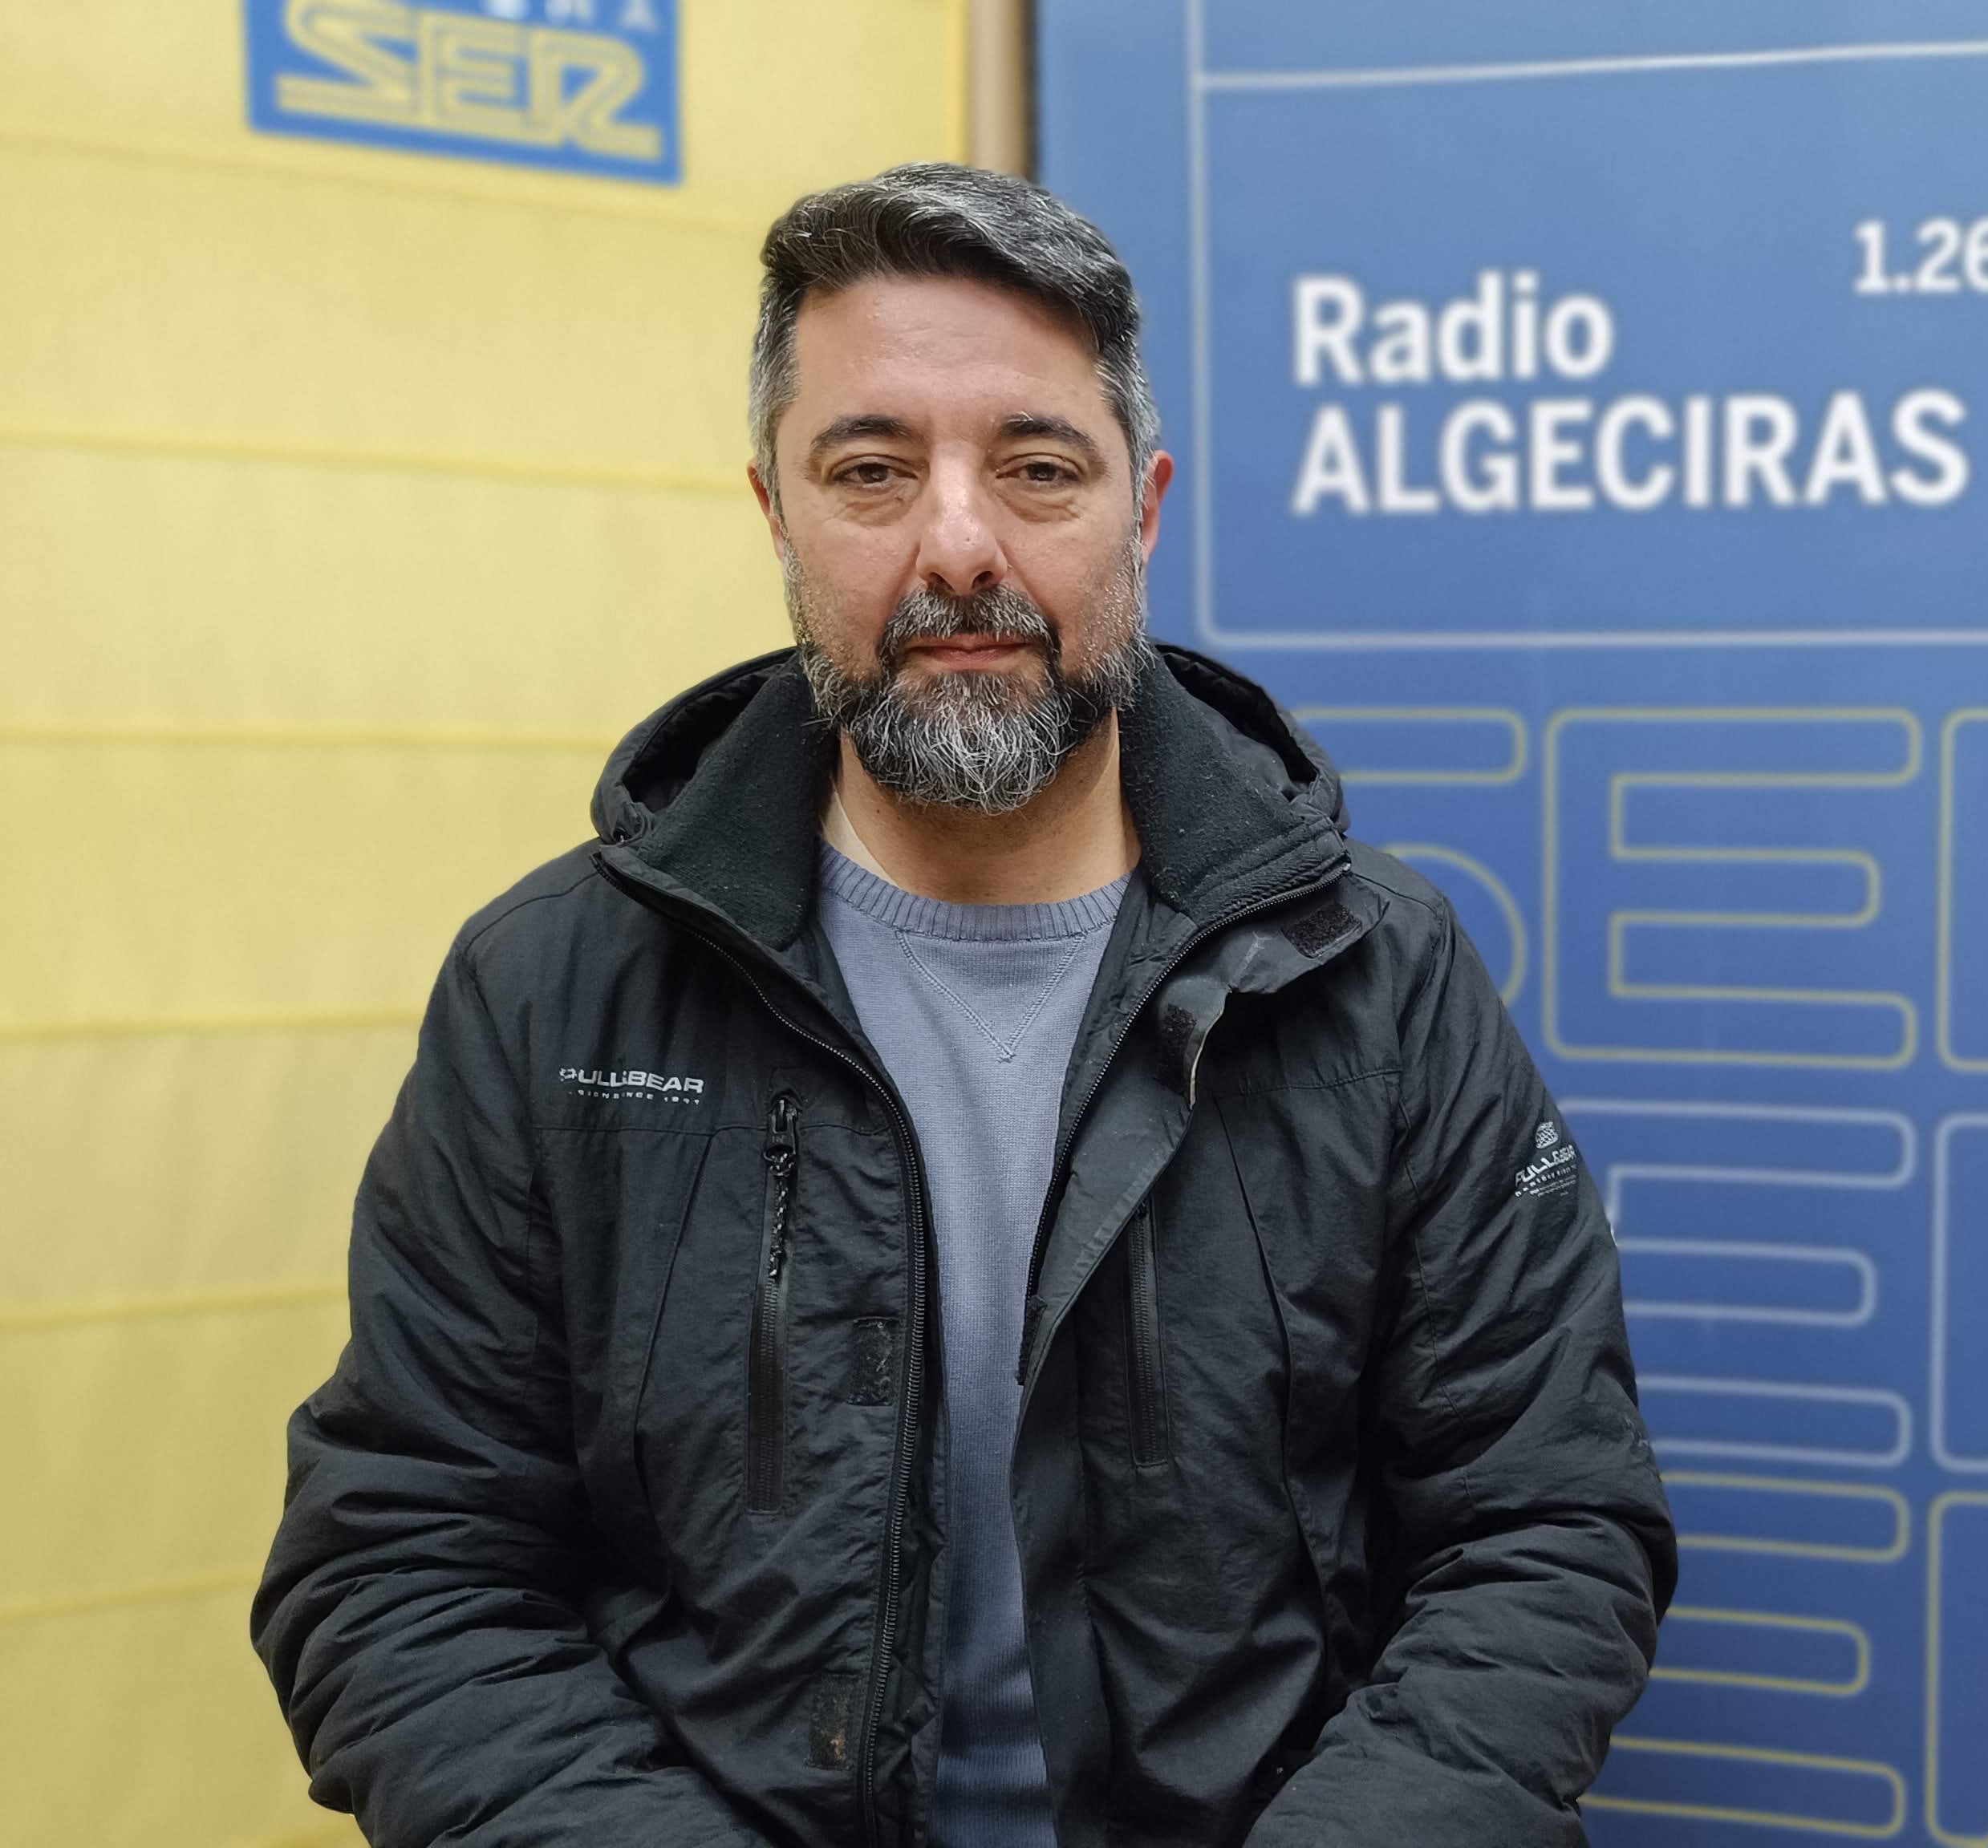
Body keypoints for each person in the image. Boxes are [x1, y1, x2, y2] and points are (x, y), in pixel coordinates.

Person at [253, 163, 1674, 1847]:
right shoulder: (553, 988)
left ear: (1139, 511)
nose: (955, 544)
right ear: (775, 511)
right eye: (870, 470)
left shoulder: (1379, 974)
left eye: (1034, 468)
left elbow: (1545, 1528)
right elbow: (405, 1566)